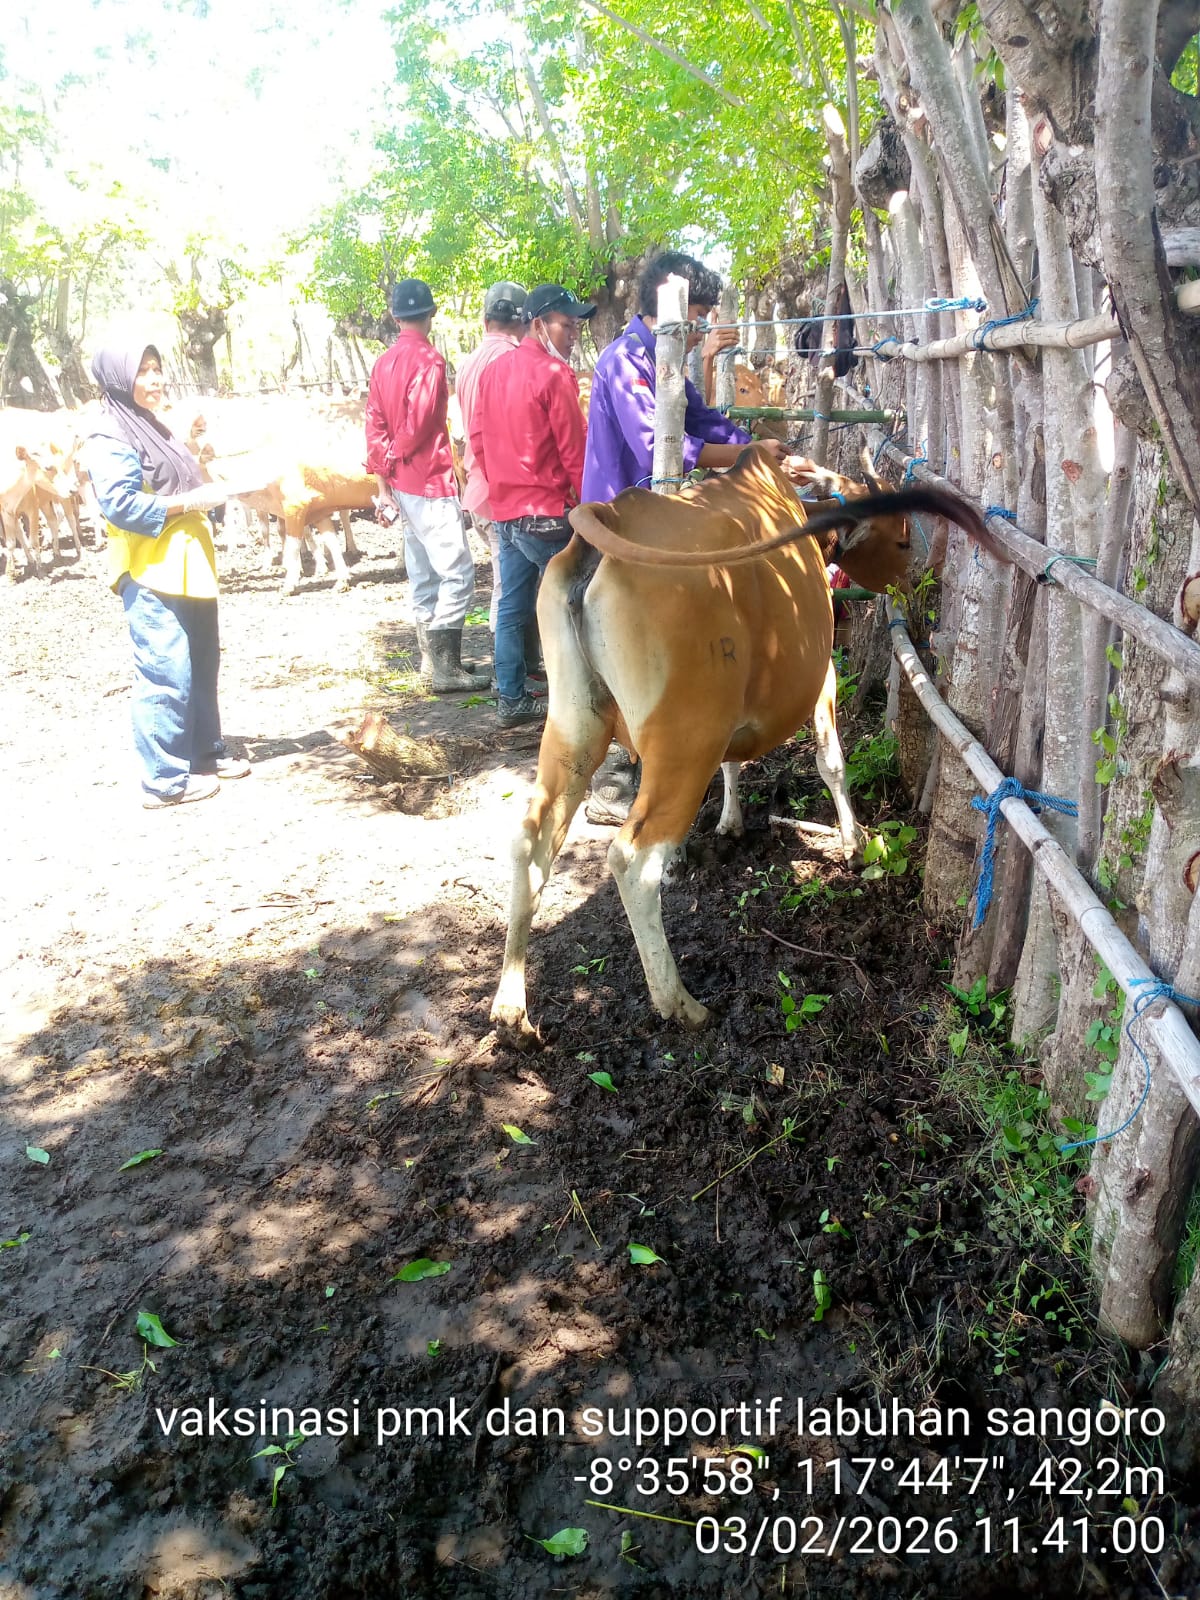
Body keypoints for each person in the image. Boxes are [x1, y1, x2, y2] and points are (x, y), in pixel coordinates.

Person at [580, 252, 784, 821]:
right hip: (616, 522)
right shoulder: (623, 362)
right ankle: (611, 777)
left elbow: (700, 420)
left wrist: (752, 450)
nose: (699, 331)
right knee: (612, 644)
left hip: (654, 520)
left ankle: (659, 749)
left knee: (651, 642)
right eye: (697, 316)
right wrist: (743, 454)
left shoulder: (664, 360)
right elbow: (654, 445)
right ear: (669, 311)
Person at [85, 345, 256, 809]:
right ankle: (163, 780)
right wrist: (190, 503)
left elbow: (181, 482)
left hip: (188, 564)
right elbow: (120, 505)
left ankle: (202, 752)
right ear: (119, 379)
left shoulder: (153, 425)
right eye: (143, 371)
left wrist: (216, 492)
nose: (155, 379)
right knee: (165, 670)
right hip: (150, 568)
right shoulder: (109, 435)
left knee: (201, 662)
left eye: (158, 369)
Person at [469, 283, 595, 728]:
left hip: (505, 510)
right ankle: (582, 695)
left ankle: (511, 699)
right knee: (581, 598)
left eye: (577, 324)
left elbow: (478, 441)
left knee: (513, 605)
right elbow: (574, 453)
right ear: (538, 324)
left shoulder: (493, 372)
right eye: (566, 324)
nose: (573, 332)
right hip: (546, 514)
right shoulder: (554, 375)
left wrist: (500, 485)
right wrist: (591, 510)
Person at [365, 278, 485, 692]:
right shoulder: (431, 361)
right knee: (458, 572)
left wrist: (384, 473)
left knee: (422, 573)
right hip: (430, 479)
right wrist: (399, 453)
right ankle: (445, 667)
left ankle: (429, 661)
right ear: (430, 315)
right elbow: (418, 425)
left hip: (400, 484)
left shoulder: (382, 364)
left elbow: (374, 422)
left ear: (396, 317)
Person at [455, 281, 527, 642]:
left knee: (510, 584)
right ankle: (507, 678)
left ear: (485, 321)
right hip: (504, 491)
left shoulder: (467, 363)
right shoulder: (512, 361)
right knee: (510, 589)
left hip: (478, 486)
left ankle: (515, 671)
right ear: (526, 323)